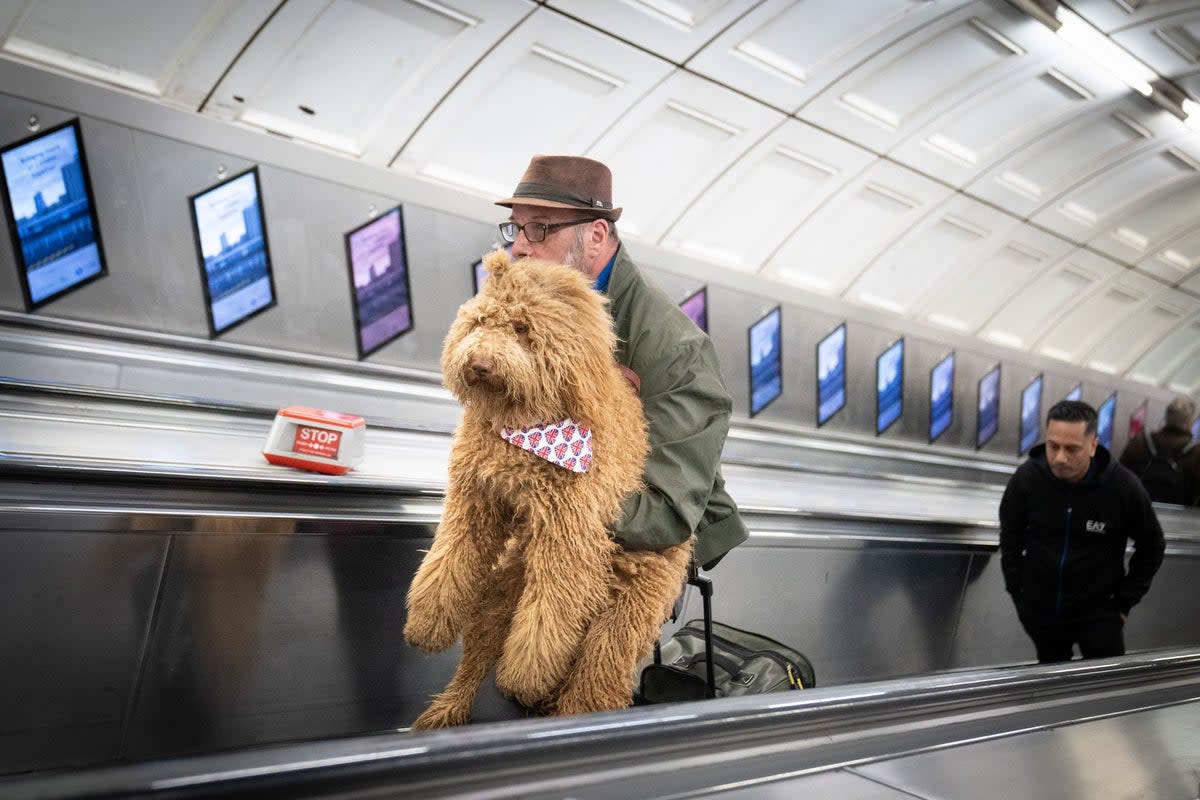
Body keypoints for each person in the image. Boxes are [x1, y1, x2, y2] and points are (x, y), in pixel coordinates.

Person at [495, 154, 748, 571]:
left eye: (539, 228)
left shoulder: (675, 349)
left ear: (595, 235)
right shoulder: (531, 310)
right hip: (552, 536)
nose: (519, 246)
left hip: (633, 560)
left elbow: (664, 513)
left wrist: (538, 486)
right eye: (515, 228)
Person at [999, 400, 1165, 663]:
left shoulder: (1122, 488)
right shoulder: (1028, 479)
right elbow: (1010, 536)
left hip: (1100, 615)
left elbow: (1153, 545)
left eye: (1071, 449)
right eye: (1053, 446)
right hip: (1042, 613)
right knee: (1052, 686)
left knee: (1104, 688)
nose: (1059, 457)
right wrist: (1018, 592)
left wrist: (1123, 602)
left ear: (1093, 445)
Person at [1118, 395, 1199, 506]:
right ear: (1190, 423)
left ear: (1166, 418)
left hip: (1138, 512)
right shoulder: (1196, 452)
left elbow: (1120, 477)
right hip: (1180, 519)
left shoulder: (1140, 442)